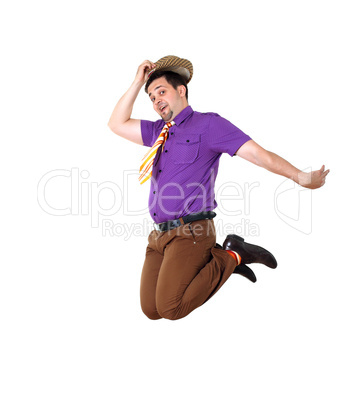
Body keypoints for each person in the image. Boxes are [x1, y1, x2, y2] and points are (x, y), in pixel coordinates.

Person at [108, 56, 329, 321]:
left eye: (162, 92)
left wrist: (301, 177)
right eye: (152, 97)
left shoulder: (209, 125)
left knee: (170, 309)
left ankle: (232, 255)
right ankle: (222, 260)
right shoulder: (159, 131)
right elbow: (116, 124)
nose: (156, 101)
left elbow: (260, 155)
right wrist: (136, 83)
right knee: (151, 310)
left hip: (191, 231)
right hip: (158, 237)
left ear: (181, 90)